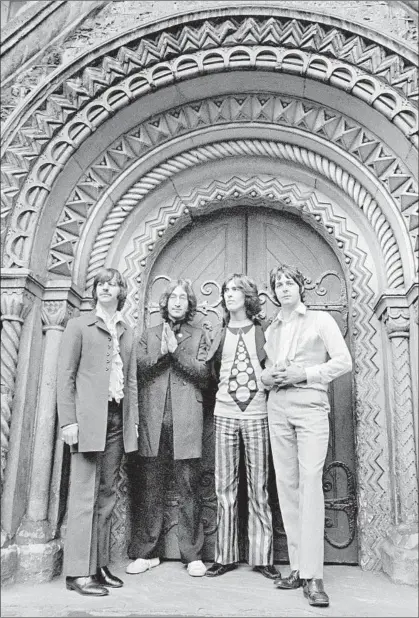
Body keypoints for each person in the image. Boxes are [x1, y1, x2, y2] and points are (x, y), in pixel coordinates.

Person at [261, 264, 352, 607]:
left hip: (311, 407)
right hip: (278, 407)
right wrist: (269, 378)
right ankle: (298, 567)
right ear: (274, 291)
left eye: (289, 282)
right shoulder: (273, 329)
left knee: (311, 481)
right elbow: (271, 369)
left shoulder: (321, 321)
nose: (284, 288)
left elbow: (343, 361)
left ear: (301, 286)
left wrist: (305, 374)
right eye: (278, 283)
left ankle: (314, 576)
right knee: (287, 485)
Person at [57, 267, 139, 596]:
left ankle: (99, 565)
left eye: (112, 284)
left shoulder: (126, 330)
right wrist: (68, 422)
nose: (106, 288)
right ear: (95, 291)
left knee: (107, 494)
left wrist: (131, 421)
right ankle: (78, 572)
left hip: (117, 417)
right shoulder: (78, 326)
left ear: (122, 291)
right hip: (89, 419)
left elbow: (130, 379)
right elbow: (65, 375)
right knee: (83, 495)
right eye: (101, 284)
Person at [126, 279, 211, 578]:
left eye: (183, 298)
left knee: (189, 489)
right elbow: (137, 369)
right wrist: (163, 353)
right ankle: (147, 553)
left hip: (187, 422)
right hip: (153, 421)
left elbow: (205, 374)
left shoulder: (200, 335)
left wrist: (177, 353)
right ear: (165, 303)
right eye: (172, 297)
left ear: (189, 305)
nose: (177, 302)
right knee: (150, 488)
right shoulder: (148, 335)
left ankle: (192, 555)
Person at [205, 274, 279, 580]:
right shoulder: (218, 333)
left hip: (257, 414)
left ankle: (262, 557)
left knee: (259, 487)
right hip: (224, 413)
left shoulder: (265, 331)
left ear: (247, 296)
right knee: (224, 487)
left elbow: (274, 365)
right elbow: (209, 371)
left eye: (236, 289)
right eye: (226, 290)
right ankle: (225, 555)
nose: (229, 294)